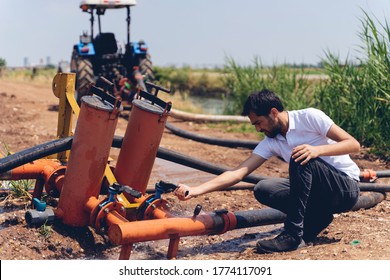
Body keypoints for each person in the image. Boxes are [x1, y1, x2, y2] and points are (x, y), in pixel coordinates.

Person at [174, 89, 361, 254]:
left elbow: (353, 145)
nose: (258, 129)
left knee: (300, 157)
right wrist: (196, 190)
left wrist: (317, 150)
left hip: (345, 189)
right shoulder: (272, 141)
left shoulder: (310, 117)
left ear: (273, 113)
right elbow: (238, 173)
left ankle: (293, 234)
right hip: (321, 195)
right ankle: (318, 217)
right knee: (264, 188)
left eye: (259, 122)